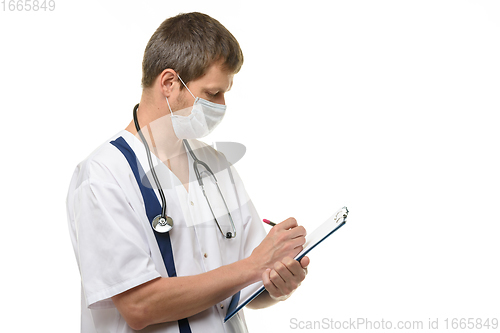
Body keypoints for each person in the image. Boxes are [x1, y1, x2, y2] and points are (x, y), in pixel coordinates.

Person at [66, 12, 309, 333]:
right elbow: (139, 307)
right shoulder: (103, 174)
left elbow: (249, 287)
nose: (222, 104)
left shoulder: (217, 166)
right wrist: (253, 266)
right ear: (169, 83)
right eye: (212, 93)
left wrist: (277, 285)